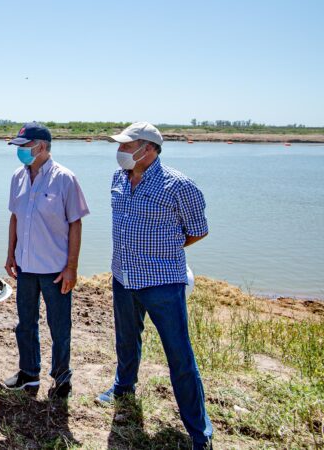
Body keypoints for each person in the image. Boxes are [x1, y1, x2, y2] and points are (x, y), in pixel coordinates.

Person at [97, 122, 213, 449]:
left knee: (180, 356)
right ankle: (123, 388)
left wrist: (161, 252)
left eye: (126, 145)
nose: (120, 151)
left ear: (147, 149)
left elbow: (197, 230)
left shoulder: (178, 185)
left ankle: (198, 431)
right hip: (123, 278)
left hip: (162, 283)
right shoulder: (118, 179)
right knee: (126, 340)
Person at [1, 122, 89, 398]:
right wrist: (10, 254)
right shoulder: (18, 176)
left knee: (59, 326)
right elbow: (15, 217)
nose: (20, 152)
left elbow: (76, 224)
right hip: (25, 267)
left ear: (40, 147)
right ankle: (29, 373)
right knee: (25, 323)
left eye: (24, 147)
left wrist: (72, 267)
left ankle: (62, 378)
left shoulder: (65, 178)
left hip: (55, 270)